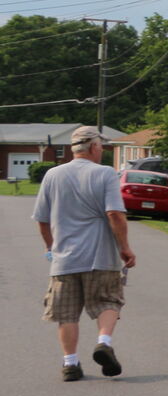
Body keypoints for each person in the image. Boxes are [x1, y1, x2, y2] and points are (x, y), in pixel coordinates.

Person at [33, 126, 136, 381]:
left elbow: (42, 220)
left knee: (66, 313)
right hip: (101, 256)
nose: (102, 150)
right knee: (109, 300)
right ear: (93, 147)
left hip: (64, 259)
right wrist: (124, 247)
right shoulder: (105, 174)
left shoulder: (52, 175)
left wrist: (50, 248)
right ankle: (103, 342)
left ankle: (70, 364)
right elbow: (115, 214)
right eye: (101, 146)